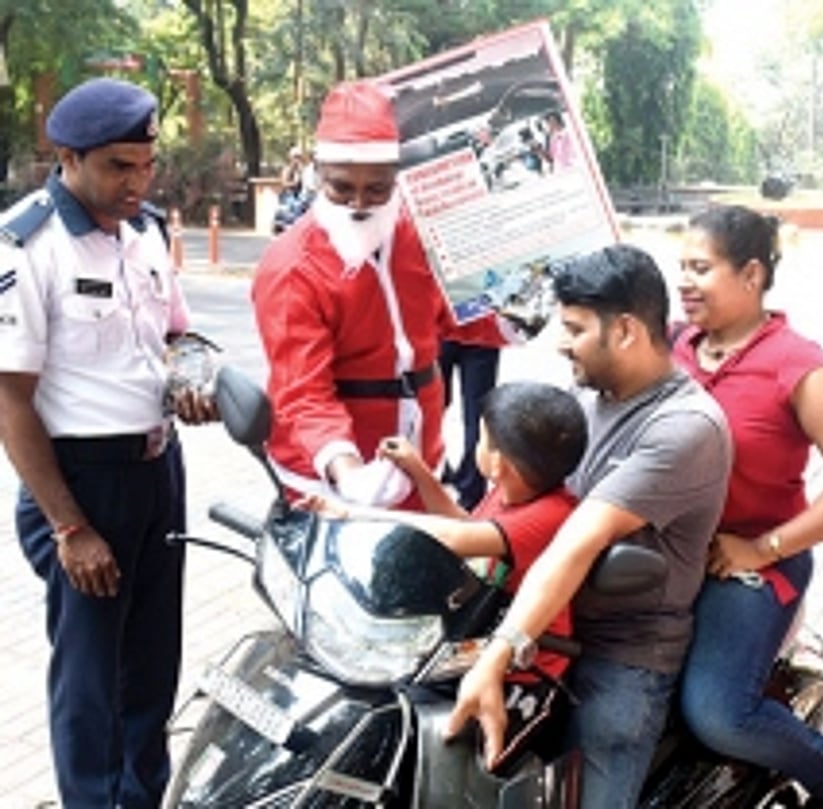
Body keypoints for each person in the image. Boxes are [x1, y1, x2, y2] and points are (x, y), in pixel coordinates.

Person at [445, 244, 733, 808]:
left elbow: (577, 540)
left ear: (624, 330)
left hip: (622, 650)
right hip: (549, 626)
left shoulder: (685, 428)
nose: (559, 341)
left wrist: (501, 652)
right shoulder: (587, 394)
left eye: (574, 328)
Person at [0, 77, 218, 808]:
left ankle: (140, 799)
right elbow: (8, 398)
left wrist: (191, 371)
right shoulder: (26, 244)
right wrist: (69, 525)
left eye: (146, 163)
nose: (138, 181)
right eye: (119, 166)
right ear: (68, 156)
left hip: (160, 473)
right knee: (91, 681)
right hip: (83, 485)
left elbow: (178, 332)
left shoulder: (147, 230)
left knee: (152, 667)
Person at [672, 205, 823, 808]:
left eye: (700, 268)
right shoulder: (672, 343)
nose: (684, 282)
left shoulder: (797, 364)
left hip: (752, 560)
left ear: (752, 275)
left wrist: (765, 548)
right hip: (669, 555)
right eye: (680, 268)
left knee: (718, 713)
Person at [302, 380, 587, 761]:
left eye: (482, 439)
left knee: (480, 766)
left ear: (498, 462)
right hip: (473, 647)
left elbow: (455, 537)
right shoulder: (509, 491)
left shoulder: (551, 514)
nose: (476, 447)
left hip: (523, 677)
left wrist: (351, 513)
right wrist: (420, 473)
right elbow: (469, 527)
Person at [253, 80, 465, 510]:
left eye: (377, 189)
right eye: (342, 188)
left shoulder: (417, 236)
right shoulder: (291, 265)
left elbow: (456, 312)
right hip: (330, 476)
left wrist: (514, 310)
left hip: (420, 453)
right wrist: (347, 470)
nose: (359, 204)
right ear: (318, 171)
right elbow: (302, 391)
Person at [438, 320, 506, 510]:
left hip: (439, 328)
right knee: (477, 415)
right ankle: (471, 488)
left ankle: (436, 468)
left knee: (432, 408)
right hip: (481, 332)